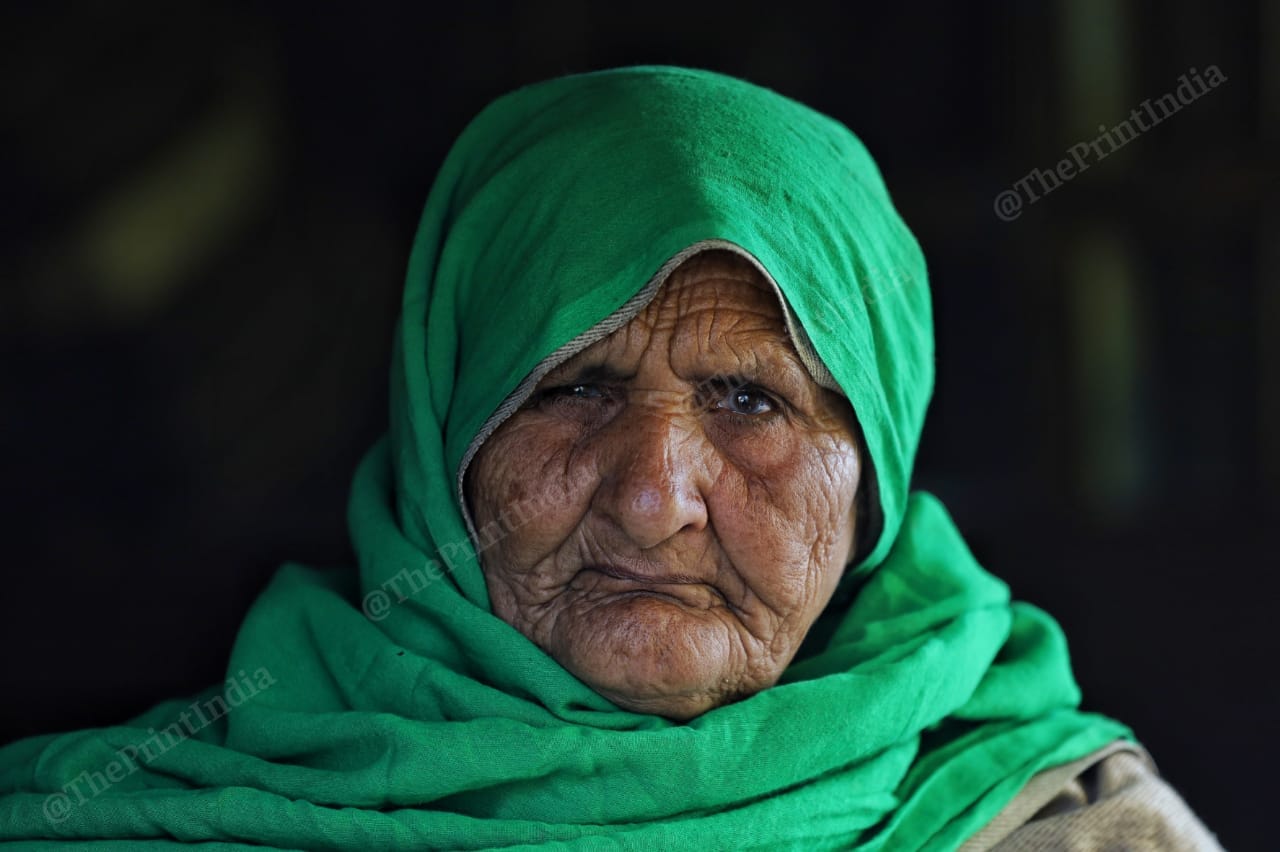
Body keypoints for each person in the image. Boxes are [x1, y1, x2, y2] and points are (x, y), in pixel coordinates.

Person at [0, 66, 1221, 850]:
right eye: (572, 388)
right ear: (442, 438)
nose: (649, 501)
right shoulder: (149, 815)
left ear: (875, 476)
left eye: (748, 398)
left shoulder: (1060, 830)